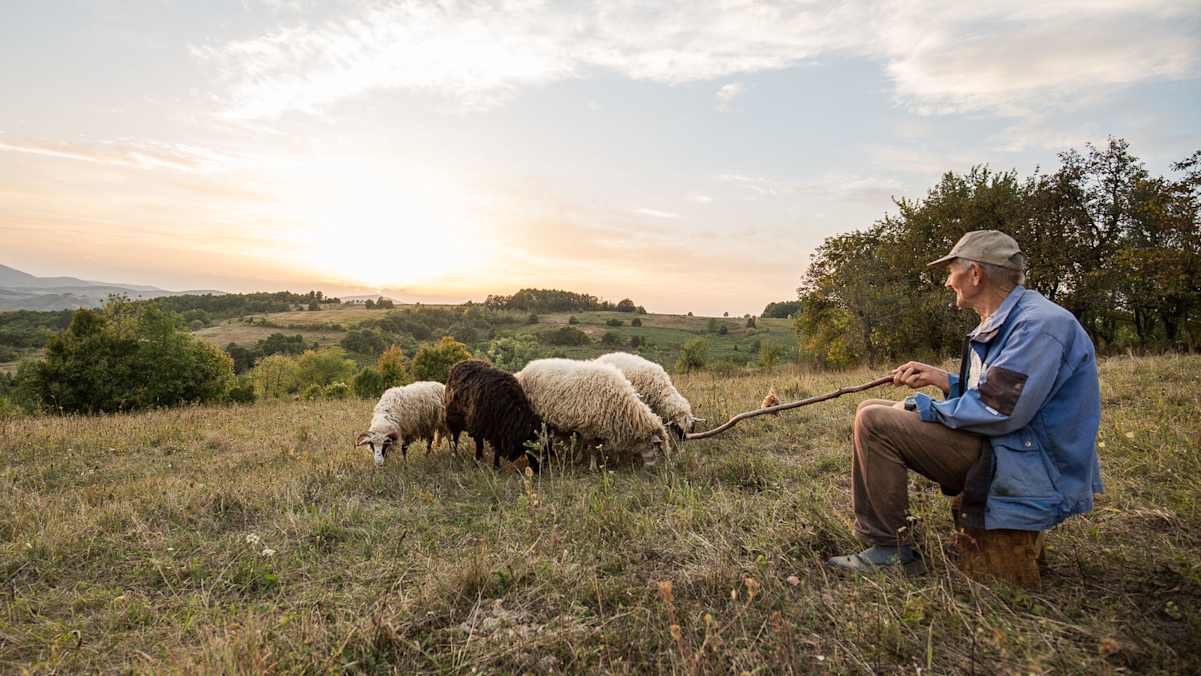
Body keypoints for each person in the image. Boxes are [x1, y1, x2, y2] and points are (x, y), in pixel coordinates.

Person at [826, 230, 1103, 573]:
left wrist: (921, 406)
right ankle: (888, 541)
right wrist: (944, 381)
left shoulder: (1038, 326)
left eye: (950, 271)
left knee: (876, 423)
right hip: (1013, 446)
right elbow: (1001, 392)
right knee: (870, 408)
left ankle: (890, 551)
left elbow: (999, 411)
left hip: (1030, 462)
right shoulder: (1011, 319)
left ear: (975, 274)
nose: (947, 282)